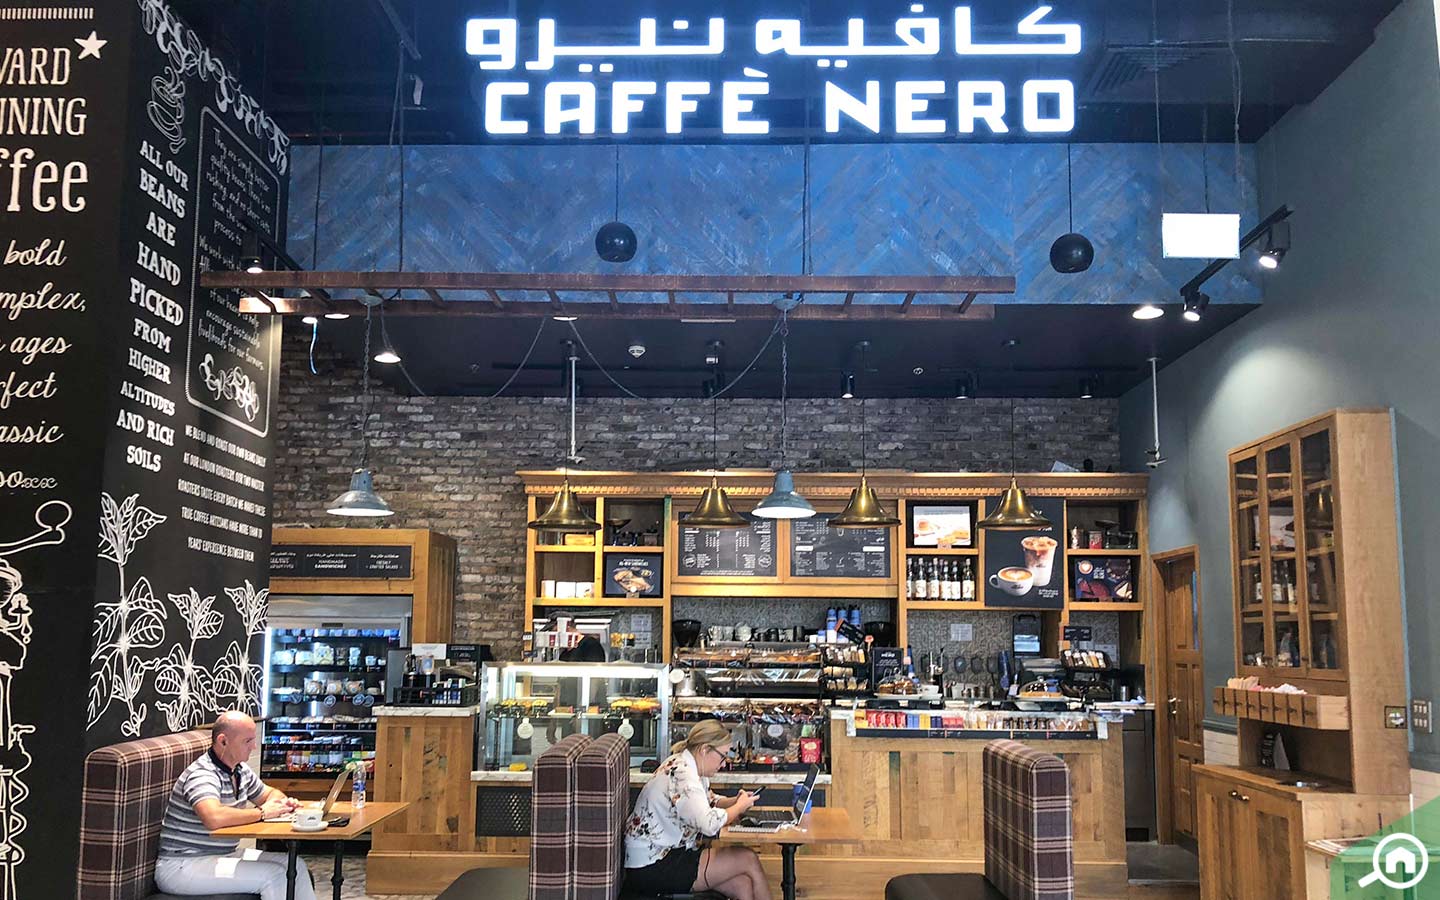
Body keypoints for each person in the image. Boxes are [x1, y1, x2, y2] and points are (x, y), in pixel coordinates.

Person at [154, 711, 316, 900]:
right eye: (248, 741)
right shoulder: (203, 774)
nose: (254, 746)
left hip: (222, 854)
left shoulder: (240, 770)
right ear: (223, 741)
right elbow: (213, 817)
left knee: (296, 866)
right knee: (275, 875)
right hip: (182, 864)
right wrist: (263, 813)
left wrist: (282, 804)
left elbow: (269, 794)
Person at [623, 719, 772, 900]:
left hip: (666, 853)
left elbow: (708, 801)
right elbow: (709, 824)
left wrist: (735, 801)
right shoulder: (683, 775)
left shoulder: (688, 765)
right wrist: (739, 807)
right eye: (723, 756)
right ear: (704, 749)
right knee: (748, 858)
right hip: (652, 864)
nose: (724, 764)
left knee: (743, 884)